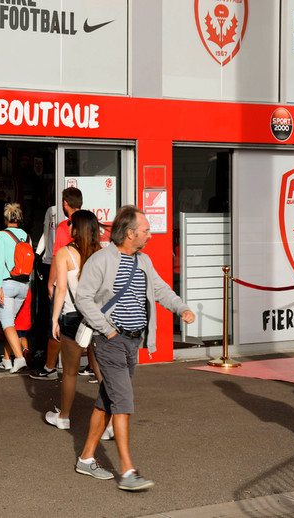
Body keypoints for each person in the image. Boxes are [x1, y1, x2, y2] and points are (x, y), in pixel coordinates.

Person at [74, 205, 194, 491]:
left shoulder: (144, 261)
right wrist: (108, 330)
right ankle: (128, 471)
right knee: (123, 402)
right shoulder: (101, 260)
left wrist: (181, 308)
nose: (150, 235)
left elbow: (161, 289)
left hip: (133, 341)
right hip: (110, 342)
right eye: (146, 231)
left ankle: (86, 458)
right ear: (130, 234)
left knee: (108, 398)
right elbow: (83, 297)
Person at [45, 210, 102, 430]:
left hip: (73, 317)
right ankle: (110, 421)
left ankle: (64, 417)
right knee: (100, 371)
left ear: (77, 229)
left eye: (71, 224)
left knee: (69, 371)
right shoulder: (100, 253)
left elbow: (60, 291)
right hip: (97, 318)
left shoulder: (64, 253)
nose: (68, 227)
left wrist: (54, 319)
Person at [30, 186, 84, 380]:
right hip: (85, 279)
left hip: (66, 280)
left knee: (57, 324)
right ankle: (93, 367)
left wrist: (50, 283)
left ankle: (50, 367)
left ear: (65, 204)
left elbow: (57, 257)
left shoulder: (64, 225)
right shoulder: (89, 222)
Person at [0, 203, 31, 373]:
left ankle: (20, 358)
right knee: (11, 324)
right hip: (23, 285)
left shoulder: (1, 235)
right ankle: (7, 360)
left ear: (6, 218)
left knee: (6, 323)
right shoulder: (27, 236)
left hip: (7, 284)